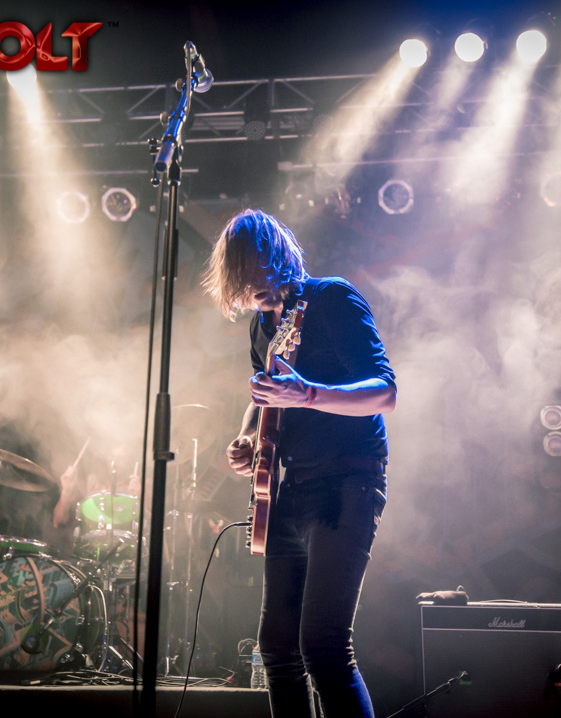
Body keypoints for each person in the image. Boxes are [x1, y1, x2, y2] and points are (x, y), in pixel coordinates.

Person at [202, 209, 395, 717]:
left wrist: (307, 394)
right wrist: (248, 436)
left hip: (348, 482)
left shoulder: (332, 298)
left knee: (324, 648)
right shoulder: (261, 326)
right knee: (276, 650)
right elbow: (262, 395)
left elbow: (384, 392)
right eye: (242, 281)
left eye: (258, 274)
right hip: (292, 488)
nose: (253, 291)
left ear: (278, 259)